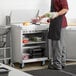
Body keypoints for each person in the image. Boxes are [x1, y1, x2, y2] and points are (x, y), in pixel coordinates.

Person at [38, 0, 69, 70]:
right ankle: (62, 63)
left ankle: (57, 64)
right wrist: (42, 17)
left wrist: (57, 14)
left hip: (59, 24)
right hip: (55, 23)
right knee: (61, 45)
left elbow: (65, 9)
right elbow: (52, 12)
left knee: (57, 45)